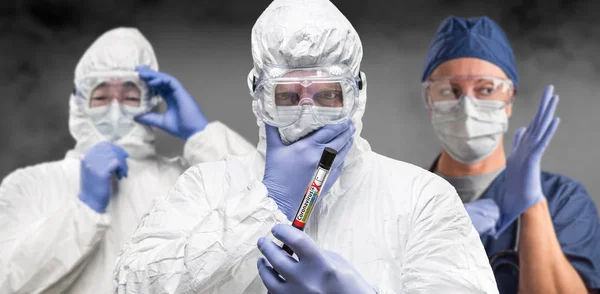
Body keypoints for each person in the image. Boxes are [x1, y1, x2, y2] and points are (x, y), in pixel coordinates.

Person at [113, 1, 499, 293]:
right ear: (257, 93)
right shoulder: (205, 188)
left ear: (358, 92)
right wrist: (267, 201)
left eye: (329, 94)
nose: (307, 112)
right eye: (288, 95)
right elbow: (131, 285)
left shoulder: (421, 197)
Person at [0, 27, 254, 293]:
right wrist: (84, 210)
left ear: (152, 103)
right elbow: (7, 281)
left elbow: (266, 213)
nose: (115, 110)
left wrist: (201, 134)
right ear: (78, 104)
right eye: (100, 97)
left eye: (131, 97)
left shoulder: (184, 182)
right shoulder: (31, 185)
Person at [421, 16, 600, 293]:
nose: (467, 106)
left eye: (486, 89)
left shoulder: (563, 201)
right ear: (429, 101)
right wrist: (431, 237)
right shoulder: (402, 197)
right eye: (449, 90)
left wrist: (533, 209)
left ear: (509, 100)